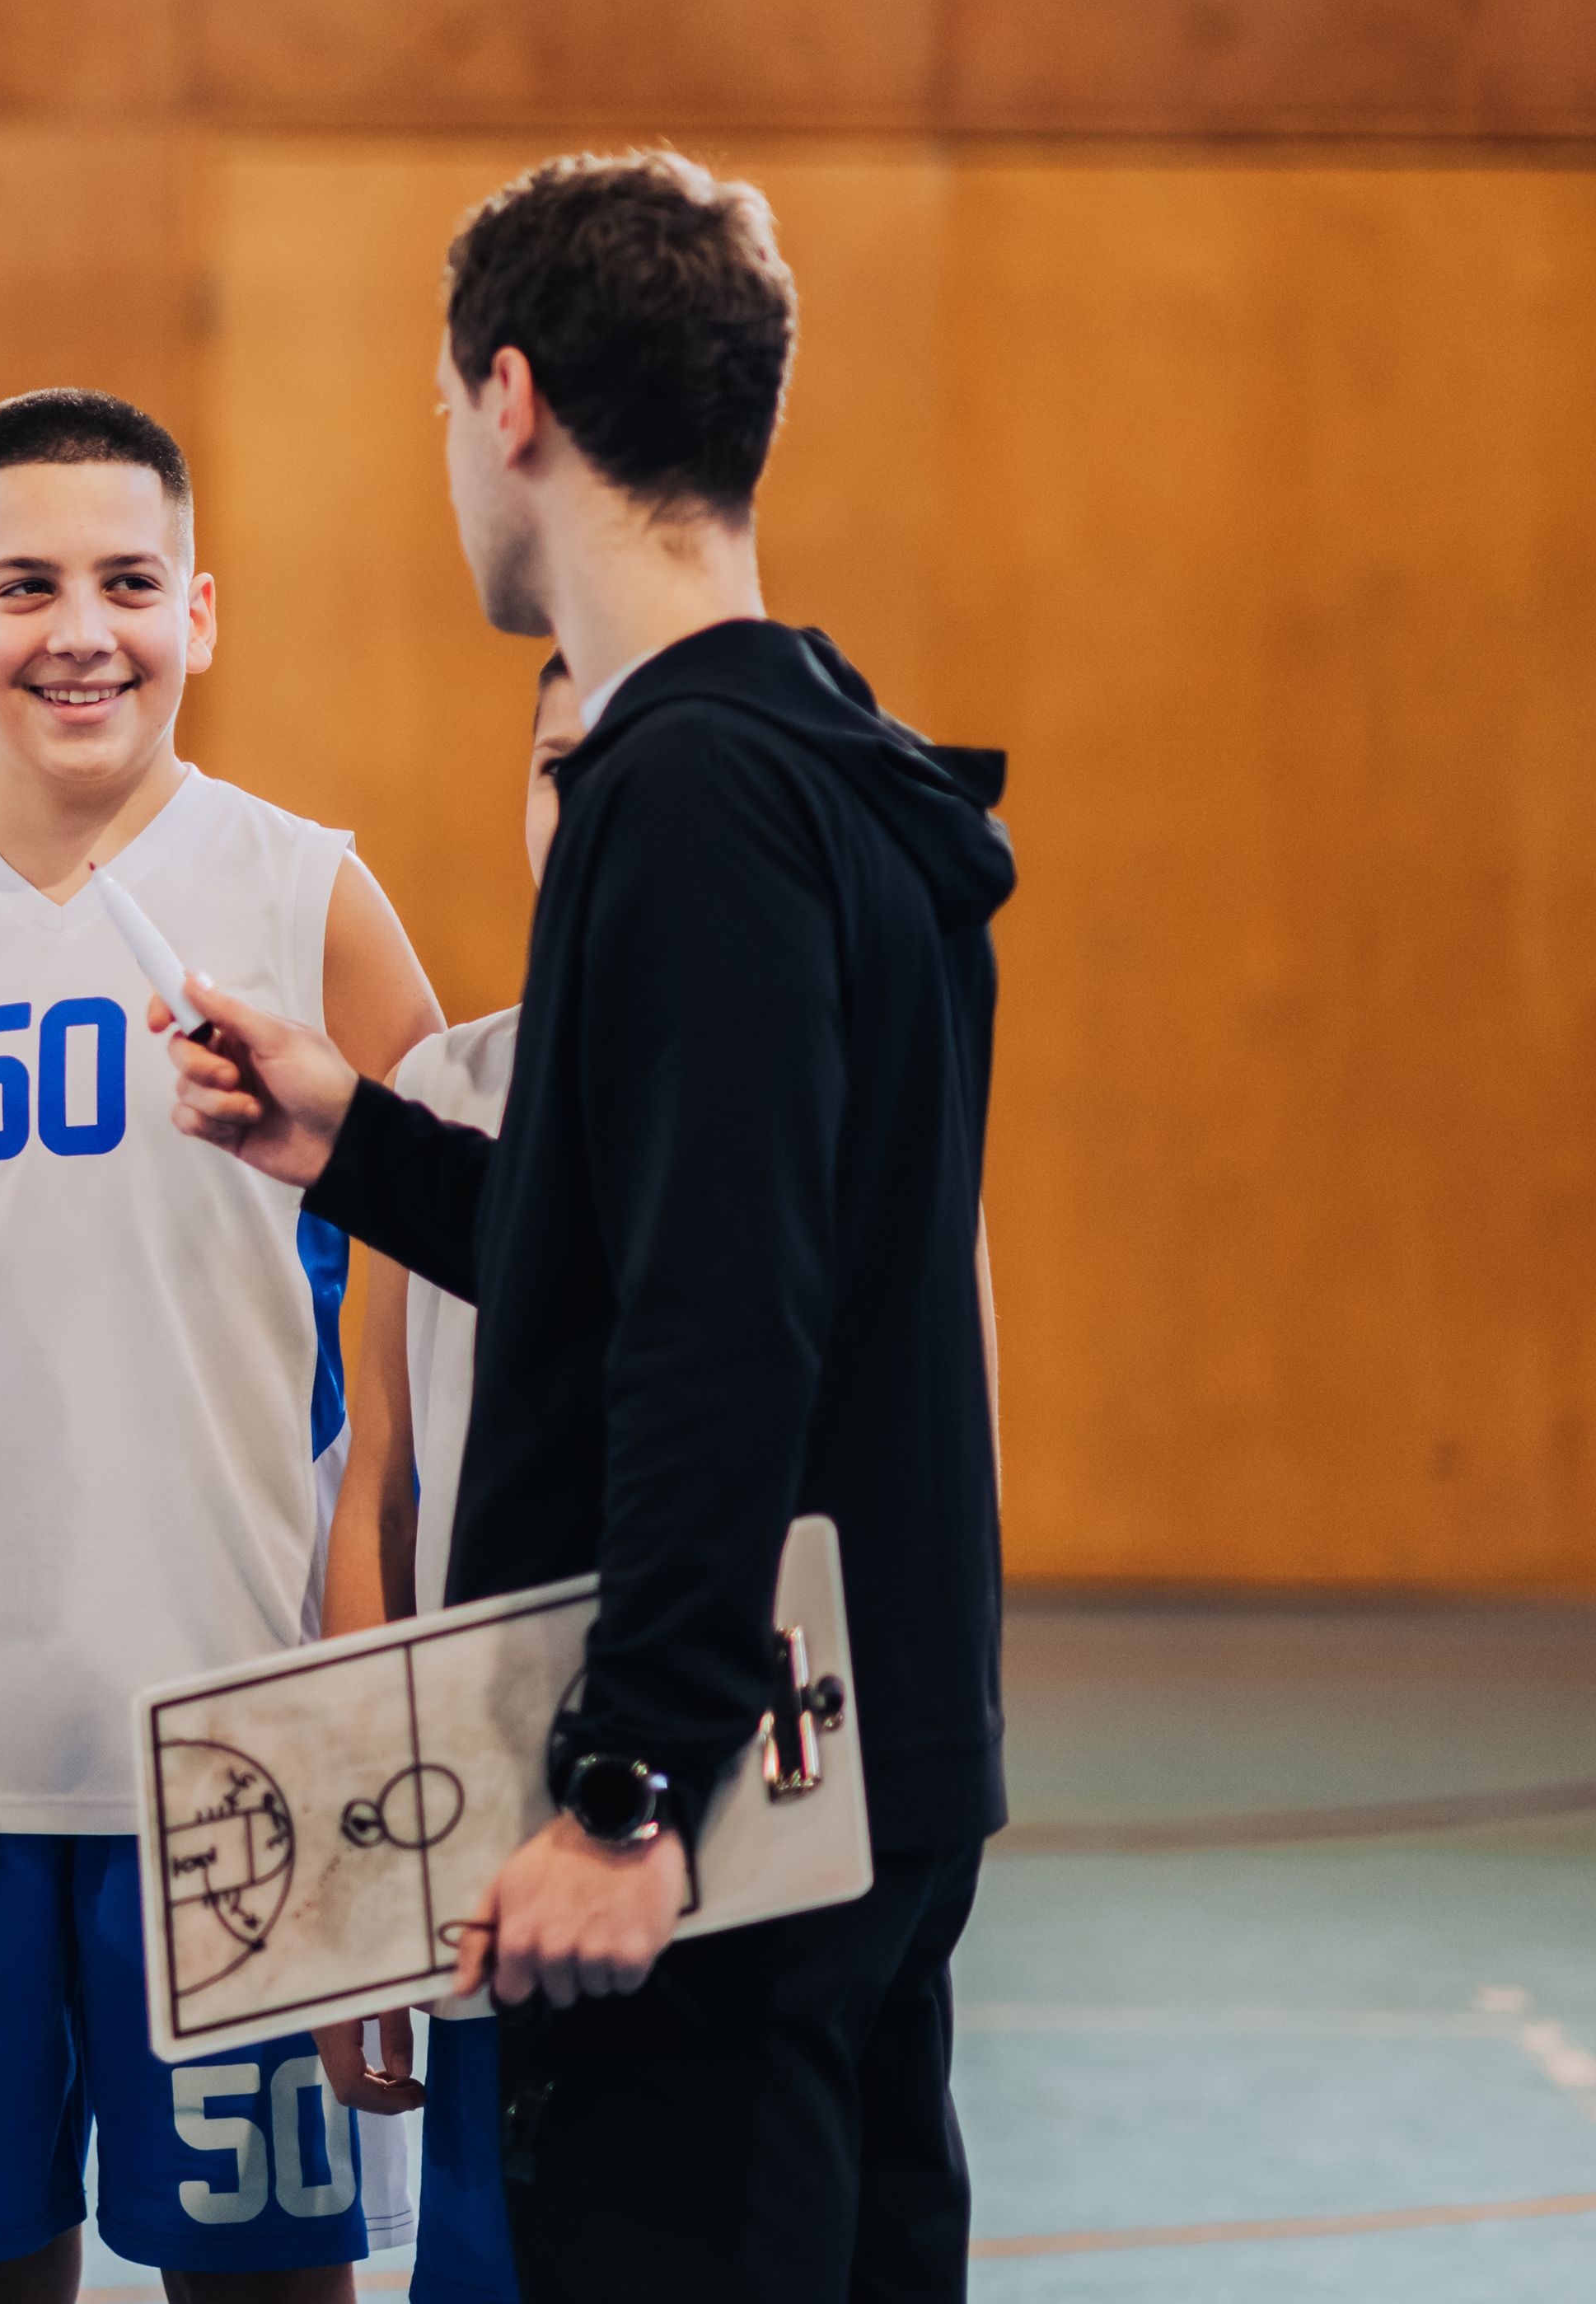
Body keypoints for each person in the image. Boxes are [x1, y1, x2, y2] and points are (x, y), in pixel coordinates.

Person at [172, 152, 1013, 2304]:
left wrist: (632, 1785)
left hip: (727, 1829)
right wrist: (363, 1144)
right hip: (871, 1774)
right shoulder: (844, 763)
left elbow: (726, 1327)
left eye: (449, 414)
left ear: (515, 400)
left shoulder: (681, 790)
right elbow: (671, 1241)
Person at [0, 391, 445, 2304]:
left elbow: (442, 1231)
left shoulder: (300, 885)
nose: (78, 627)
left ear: (199, 612)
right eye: (23, 584)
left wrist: (362, 1597)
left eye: (126, 581)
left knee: (267, 2283)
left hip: (241, 1738)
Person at [306, 650, 587, 2304]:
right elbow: (380, 1502)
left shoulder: (787, 1102)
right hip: (492, 1843)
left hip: (721, 1851)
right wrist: (358, 1901)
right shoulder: (439, 1101)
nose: (587, 804)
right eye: (558, 766)